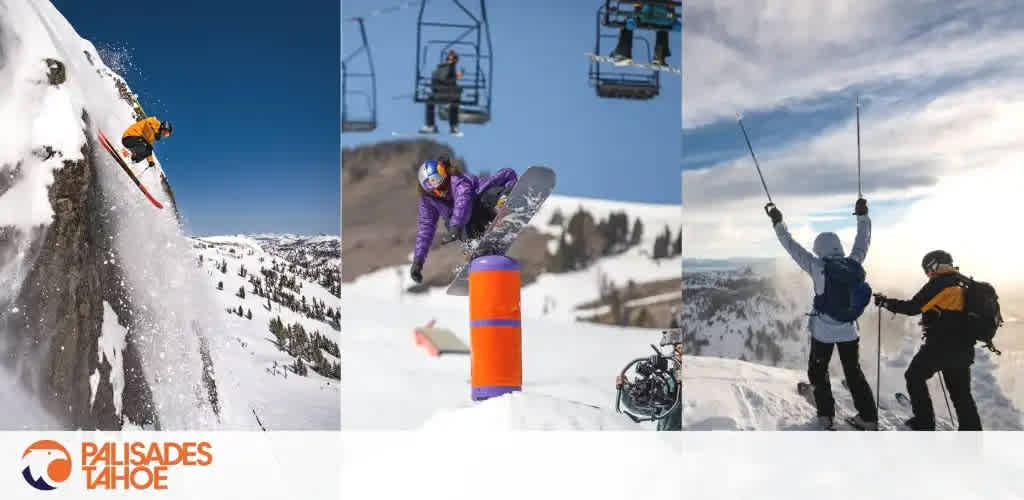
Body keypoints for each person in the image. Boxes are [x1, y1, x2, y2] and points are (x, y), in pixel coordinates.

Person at [768, 198, 878, 430]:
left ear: (820, 249)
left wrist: (778, 223)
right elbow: (863, 241)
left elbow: (791, 246)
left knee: (818, 371)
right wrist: (862, 217)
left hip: (824, 332)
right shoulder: (854, 262)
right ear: (838, 246)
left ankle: (826, 416)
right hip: (850, 331)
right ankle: (868, 418)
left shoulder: (817, 267)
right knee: (854, 373)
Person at [874, 250, 983, 431]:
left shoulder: (938, 284)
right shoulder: (964, 283)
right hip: (963, 349)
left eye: (927, 269)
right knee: (961, 395)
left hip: (940, 346)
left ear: (934, 265)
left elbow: (912, 307)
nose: (928, 274)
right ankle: (972, 438)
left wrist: (885, 302)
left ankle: (924, 422)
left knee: (914, 376)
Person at [409, 156, 517, 284]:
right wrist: (418, 261)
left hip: (484, 205)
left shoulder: (457, 180)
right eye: (435, 189)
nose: (441, 190)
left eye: (441, 182)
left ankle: (503, 202)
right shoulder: (428, 199)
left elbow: (463, 200)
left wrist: (456, 226)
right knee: (456, 226)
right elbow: (425, 228)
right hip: (474, 222)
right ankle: (475, 244)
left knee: (478, 201)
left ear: (445, 174)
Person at [615, 343, 682, 431]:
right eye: (679, 349)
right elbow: (642, 405)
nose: (681, 354)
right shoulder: (669, 380)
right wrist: (626, 388)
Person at [610, 2, 681, 67]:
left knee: (628, 20)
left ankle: (623, 53)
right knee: (662, 25)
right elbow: (671, 9)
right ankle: (659, 56)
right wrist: (674, 20)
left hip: (646, 17)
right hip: (664, 19)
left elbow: (637, 8)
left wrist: (634, 17)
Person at [420, 50, 463, 136]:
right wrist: (457, 78)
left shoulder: (438, 69)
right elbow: (447, 79)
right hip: (448, 94)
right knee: (455, 102)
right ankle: (453, 127)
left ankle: (430, 125)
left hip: (438, 94)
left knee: (430, 101)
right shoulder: (449, 68)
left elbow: (435, 83)